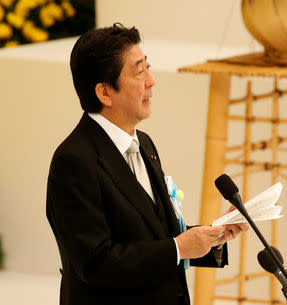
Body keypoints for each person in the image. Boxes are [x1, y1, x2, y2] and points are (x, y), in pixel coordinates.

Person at [46, 23, 248, 305]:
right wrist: (178, 248)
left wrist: (215, 235)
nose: (151, 80)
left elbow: (153, 235)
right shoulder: (74, 162)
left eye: (148, 67)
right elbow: (96, 264)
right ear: (105, 92)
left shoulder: (145, 144)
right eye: (139, 71)